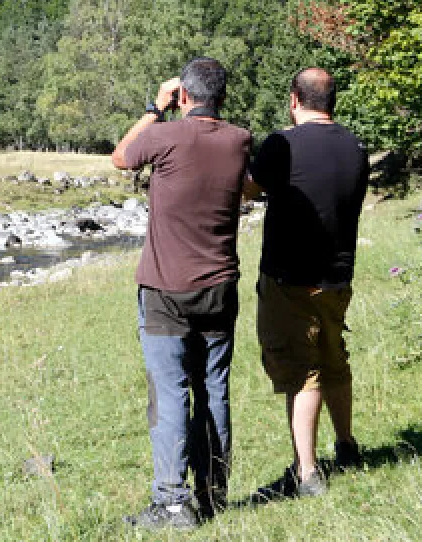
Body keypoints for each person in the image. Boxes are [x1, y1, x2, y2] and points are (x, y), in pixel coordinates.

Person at [112, 57, 251, 530]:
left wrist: (155, 106)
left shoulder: (165, 135)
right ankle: (213, 494)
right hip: (219, 286)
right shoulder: (239, 140)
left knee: (170, 394)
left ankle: (172, 504)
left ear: (185, 97)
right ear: (223, 98)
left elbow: (120, 155)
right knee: (214, 387)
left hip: (166, 287)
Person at [244, 67, 369, 499]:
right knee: (335, 359)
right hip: (338, 276)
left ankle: (307, 472)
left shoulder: (283, 143)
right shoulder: (356, 146)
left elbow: (249, 188)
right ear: (332, 101)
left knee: (302, 372)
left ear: (294, 99)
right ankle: (347, 447)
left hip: (289, 278)